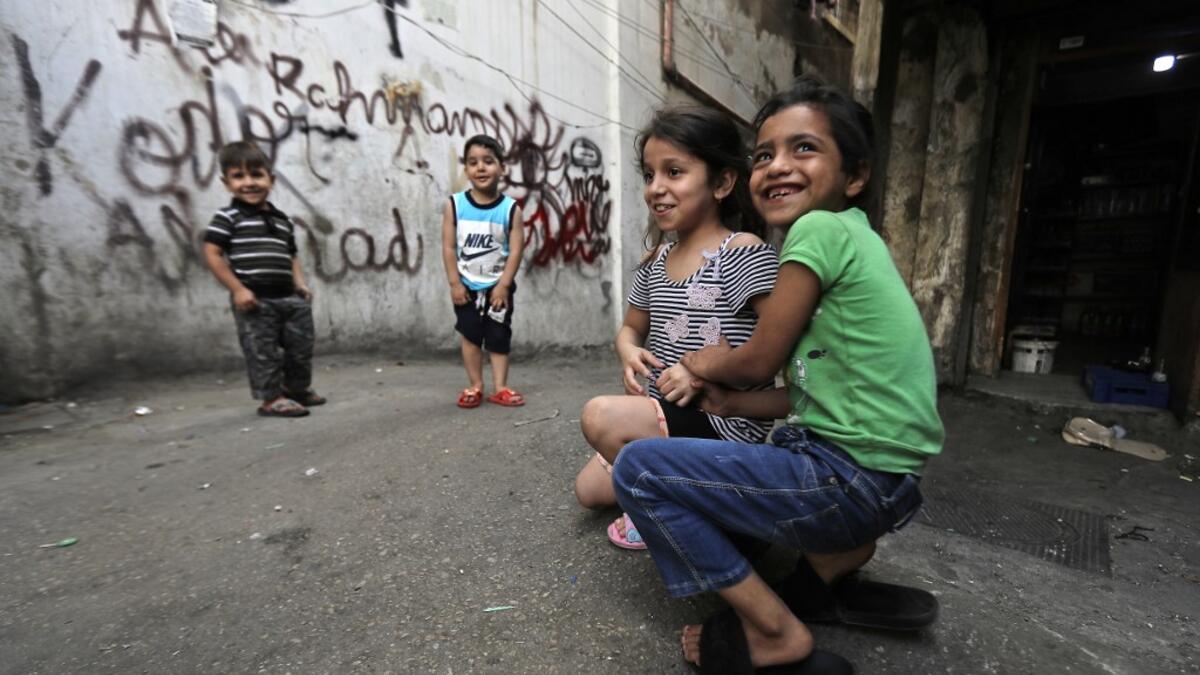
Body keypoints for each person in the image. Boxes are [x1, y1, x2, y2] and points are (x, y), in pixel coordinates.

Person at [610, 77, 945, 673]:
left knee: (638, 470)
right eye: (764, 154)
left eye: (804, 149)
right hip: (887, 483)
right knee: (735, 453)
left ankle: (772, 631)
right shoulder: (856, 243)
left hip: (848, 477)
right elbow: (803, 394)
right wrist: (732, 406)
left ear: (856, 177)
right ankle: (829, 569)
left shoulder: (817, 232)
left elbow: (760, 359)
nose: (777, 167)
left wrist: (696, 363)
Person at [572, 107, 779, 550]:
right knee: (588, 492)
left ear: (722, 183)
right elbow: (628, 331)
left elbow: (780, 340)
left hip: (723, 423)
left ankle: (681, 504)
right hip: (665, 412)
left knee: (600, 417)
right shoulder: (656, 262)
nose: (656, 189)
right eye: (650, 174)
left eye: (674, 172)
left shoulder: (741, 252)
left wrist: (706, 369)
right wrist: (628, 353)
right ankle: (668, 481)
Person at [203, 141, 325, 418]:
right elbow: (212, 254)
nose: (249, 183)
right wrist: (237, 290)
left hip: (289, 297)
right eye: (239, 176)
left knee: (300, 348)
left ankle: (296, 389)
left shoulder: (281, 220)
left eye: (257, 175)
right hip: (255, 300)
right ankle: (271, 398)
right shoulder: (227, 218)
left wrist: (300, 284)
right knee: (263, 351)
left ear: (271, 179)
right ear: (226, 183)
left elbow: (291, 255)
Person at [441, 134, 526, 408]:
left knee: (499, 336)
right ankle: (475, 385)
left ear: (501, 167)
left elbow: (515, 250)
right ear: (465, 169)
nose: (480, 168)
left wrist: (504, 284)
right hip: (466, 286)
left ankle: (500, 387)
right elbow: (448, 247)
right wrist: (455, 283)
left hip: (497, 287)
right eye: (473, 162)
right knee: (470, 336)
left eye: (488, 162)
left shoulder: (510, 209)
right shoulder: (455, 205)